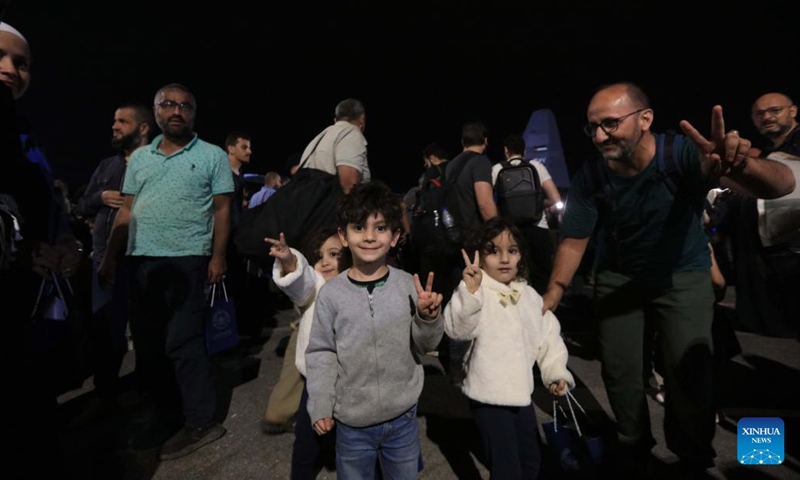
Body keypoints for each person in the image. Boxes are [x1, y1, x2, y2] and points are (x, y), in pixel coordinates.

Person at [541, 81, 795, 476]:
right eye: (592, 127)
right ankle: (633, 448)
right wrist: (553, 293)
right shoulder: (592, 175)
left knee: (688, 373)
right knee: (620, 371)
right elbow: (574, 239)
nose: (599, 135)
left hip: (682, 274)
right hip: (618, 277)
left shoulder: (682, 154)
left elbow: (782, 184)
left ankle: (693, 456)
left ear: (645, 119)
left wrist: (741, 165)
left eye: (610, 123)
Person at [100, 83, 233, 460]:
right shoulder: (140, 159)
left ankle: (201, 421)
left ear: (194, 113)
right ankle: (165, 416)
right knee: (148, 347)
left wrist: (217, 256)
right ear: (156, 111)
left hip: (188, 259)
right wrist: (111, 257)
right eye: (169, 104)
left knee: (183, 343)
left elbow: (223, 209)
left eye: (186, 106)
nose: (177, 111)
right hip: (140, 261)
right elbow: (126, 210)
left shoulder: (211, 156)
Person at [305, 181, 444, 479]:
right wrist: (320, 403)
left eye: (380, 228)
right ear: (343, 235)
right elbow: (321, 352)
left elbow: (424, 346)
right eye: (359, 227)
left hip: (403, 419)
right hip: (351, 425)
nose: (369, 237)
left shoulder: (408, 284)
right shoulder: (331, 295)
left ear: (395, 237)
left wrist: (428, 318)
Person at [444, 217, 574, 479]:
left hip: (521, 394)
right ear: (479, 256)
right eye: (493, 251)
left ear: (521, 257)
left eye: (512, 250)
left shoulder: (528, 295)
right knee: (507, 468)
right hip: (488, 396)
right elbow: (457, 329)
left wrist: (556, 372)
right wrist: (469, 294)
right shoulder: (476, 291)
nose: (504, 258)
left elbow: (548, 337)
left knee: (531, 462)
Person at [78, 103, 153, 407]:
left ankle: (149, 391)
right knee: (106, 331)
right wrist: (100, 197)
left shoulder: (155, 163)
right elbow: (82, 205)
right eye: (114, 121)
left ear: (144, 128)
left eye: (123, 121)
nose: (115, 126)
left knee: (147, 328)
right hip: (102, 260)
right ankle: (105, 393)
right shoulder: (107, 166)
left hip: (142, 259)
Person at [265, 229, 350, 478]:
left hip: (351, 381)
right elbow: (299, 280)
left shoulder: (355, 287)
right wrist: (290, 261)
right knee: (306, 437)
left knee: (350, 438)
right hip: (314, 379)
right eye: (318, 256)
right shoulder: (313, 289)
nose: (325, 261)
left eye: (334, 254)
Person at [724, 92, 800, 338]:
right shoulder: (764, 152)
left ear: (793, 111)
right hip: (769, 250)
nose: (767, 116)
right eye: (759, 113)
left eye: (775, 110)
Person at [491, 132, 562, 293]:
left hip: (511, 231)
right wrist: (539, 204)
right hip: (538, 227)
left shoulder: (497, 169)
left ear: (506, 151)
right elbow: (555, 198)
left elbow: (489, 200)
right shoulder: (537, 166)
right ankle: (542, 312)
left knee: (513, 278)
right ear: (524, 151)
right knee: (542, 277)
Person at [298, 98, 369, 194]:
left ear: (335, 119)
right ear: (362, 119)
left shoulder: (318, 139)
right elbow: (349, 184)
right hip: (330, 206)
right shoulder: (351, 133)